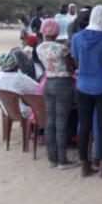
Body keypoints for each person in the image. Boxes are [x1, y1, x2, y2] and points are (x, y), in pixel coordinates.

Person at [71, 5, 102, 177]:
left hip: (83, 86)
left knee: (84, 125)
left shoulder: (77, 38)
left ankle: (84, 165)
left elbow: (76, 62)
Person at [36, 18, 77, 169]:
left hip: (48, 84)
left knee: (50, 121)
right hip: (63, 85)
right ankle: (62, 160)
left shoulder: (39, 48)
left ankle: (52, 158)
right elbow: (72, 67)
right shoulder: (62, 49)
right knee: (61, 122)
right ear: (57, 31)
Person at [0, 52, 40, 118]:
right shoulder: (20, 78)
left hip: (6, 110)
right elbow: (37, 89)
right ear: (16, 65)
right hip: (23, 111)